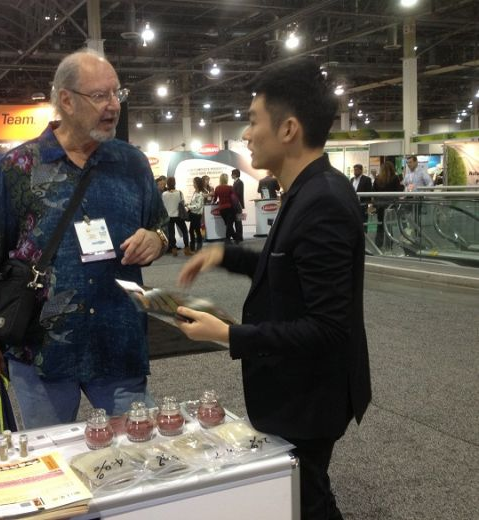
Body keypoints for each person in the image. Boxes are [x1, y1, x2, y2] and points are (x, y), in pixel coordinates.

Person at [175, 58, 371, 520]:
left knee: (306, 499)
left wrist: (228, 335)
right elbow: (285, 266)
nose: (245, 134)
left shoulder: (322, 200)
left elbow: (328, 327)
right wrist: (225, 255)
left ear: (288, 129)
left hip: (310, 395)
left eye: (252, 121)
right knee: (304, 494)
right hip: (301, 388)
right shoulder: (307, 189)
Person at [0, 49, 168, 429]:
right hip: (43, 353)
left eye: (117, 94)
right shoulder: (18, 168)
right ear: (66, 100)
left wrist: (157, 240)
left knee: (141, 449)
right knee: (53, 458)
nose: (114, 105)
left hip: (119, 345)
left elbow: (162, 227)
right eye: (100, 96)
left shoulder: (133, 164)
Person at [373, 160, 403, 248]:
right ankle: (388, 245)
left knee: (380, 225)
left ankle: (378, 244)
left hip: (380, 205)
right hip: (390, 205)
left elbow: (374, 191)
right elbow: (398, 191)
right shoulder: (395, 178)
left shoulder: (377, 179)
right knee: (388, 225)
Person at [162, 177, 192, 256]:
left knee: (171, 233)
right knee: (185, 231)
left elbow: (163, 205)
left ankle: (174, 250)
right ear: (175, 183)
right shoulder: (179, 193)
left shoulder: (164, 194)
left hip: (169, 216)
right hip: (178, 216)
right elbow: (183, 203)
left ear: (167, 184)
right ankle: (187, 249)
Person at [212, 173, 240, 244]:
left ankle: (233, 238)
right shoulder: (230, 187)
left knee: (228, 225)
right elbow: (234, 198)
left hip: (222, 209)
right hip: (230, 208)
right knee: (229, 225)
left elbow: (215, 199)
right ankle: (231, 238)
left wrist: (213, 202)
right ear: (226, 179)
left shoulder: (217, 188)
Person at [187, 176, 205, 252]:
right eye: (193, 182)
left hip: (197, 215)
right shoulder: (195, 192)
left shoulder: (200, 194)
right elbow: (194, 203)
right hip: (193, 214)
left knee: (196, 231)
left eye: (194, 183)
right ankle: (193, 246)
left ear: (198, 183)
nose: (193, 184)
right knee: (192, 230)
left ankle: (198, 247)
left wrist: (189, 207)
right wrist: (188, 204)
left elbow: (198, 206)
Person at [231, 168, 244, 242]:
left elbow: (239, 193)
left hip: (238, 205)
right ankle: (238, 236)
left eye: (232, 174)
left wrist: (231, 193)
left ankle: (240, 237)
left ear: (235, 174)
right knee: (237, 221)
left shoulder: (240, 182)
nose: (231, 175)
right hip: (236, 205)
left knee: (238, 221)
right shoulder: (235, 182)